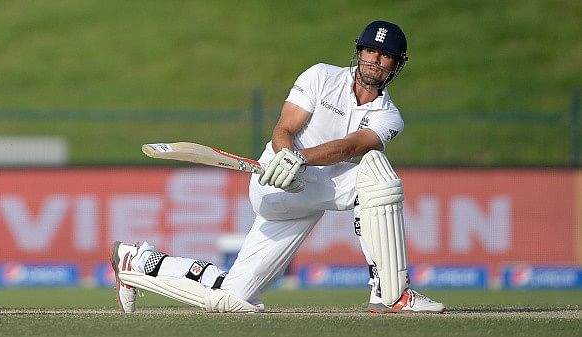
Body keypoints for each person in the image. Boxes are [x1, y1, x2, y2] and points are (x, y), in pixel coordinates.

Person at [110, 20, 445, 314]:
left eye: (385, 56)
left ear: (396, 65)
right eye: (369, 51)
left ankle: (137, 261)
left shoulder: (390, 116)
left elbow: (352, 146)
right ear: (359, 52)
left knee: (232, 298)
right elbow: (284, 129)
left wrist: (301, 160)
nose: (374, 60)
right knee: (377, 181)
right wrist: (287, 157)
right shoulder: (321, 76)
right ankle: (391, 294)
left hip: (309, 193)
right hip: (274, 180)